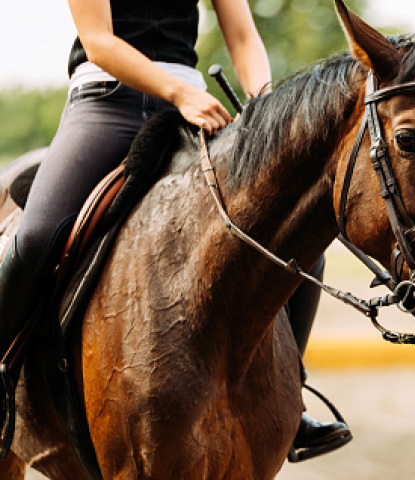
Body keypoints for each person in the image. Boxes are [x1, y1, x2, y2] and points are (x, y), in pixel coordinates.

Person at [0, 0, 349, 460]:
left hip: (193, 110)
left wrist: (264, 111)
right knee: (40, 235)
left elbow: (243, 38)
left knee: (296, 240)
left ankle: (293, 397)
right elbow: (99, 42)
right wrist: (178, 92)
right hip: (107, 103)